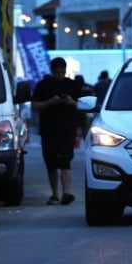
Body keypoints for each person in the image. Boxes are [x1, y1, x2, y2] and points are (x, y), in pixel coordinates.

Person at [32, 57, 84, 205]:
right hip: (49, 130)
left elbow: (81, 106)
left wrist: (71, 102)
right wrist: (50, 102)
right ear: (52, 71)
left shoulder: (73, 85)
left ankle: (65, 192)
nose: (60, 75)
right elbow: (34, 106)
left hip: (68, 129)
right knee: (51, 163)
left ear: (66, 71)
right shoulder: (43, 85)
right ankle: (55, 193)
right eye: (57, 72)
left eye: (62, 72)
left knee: (66, 161)